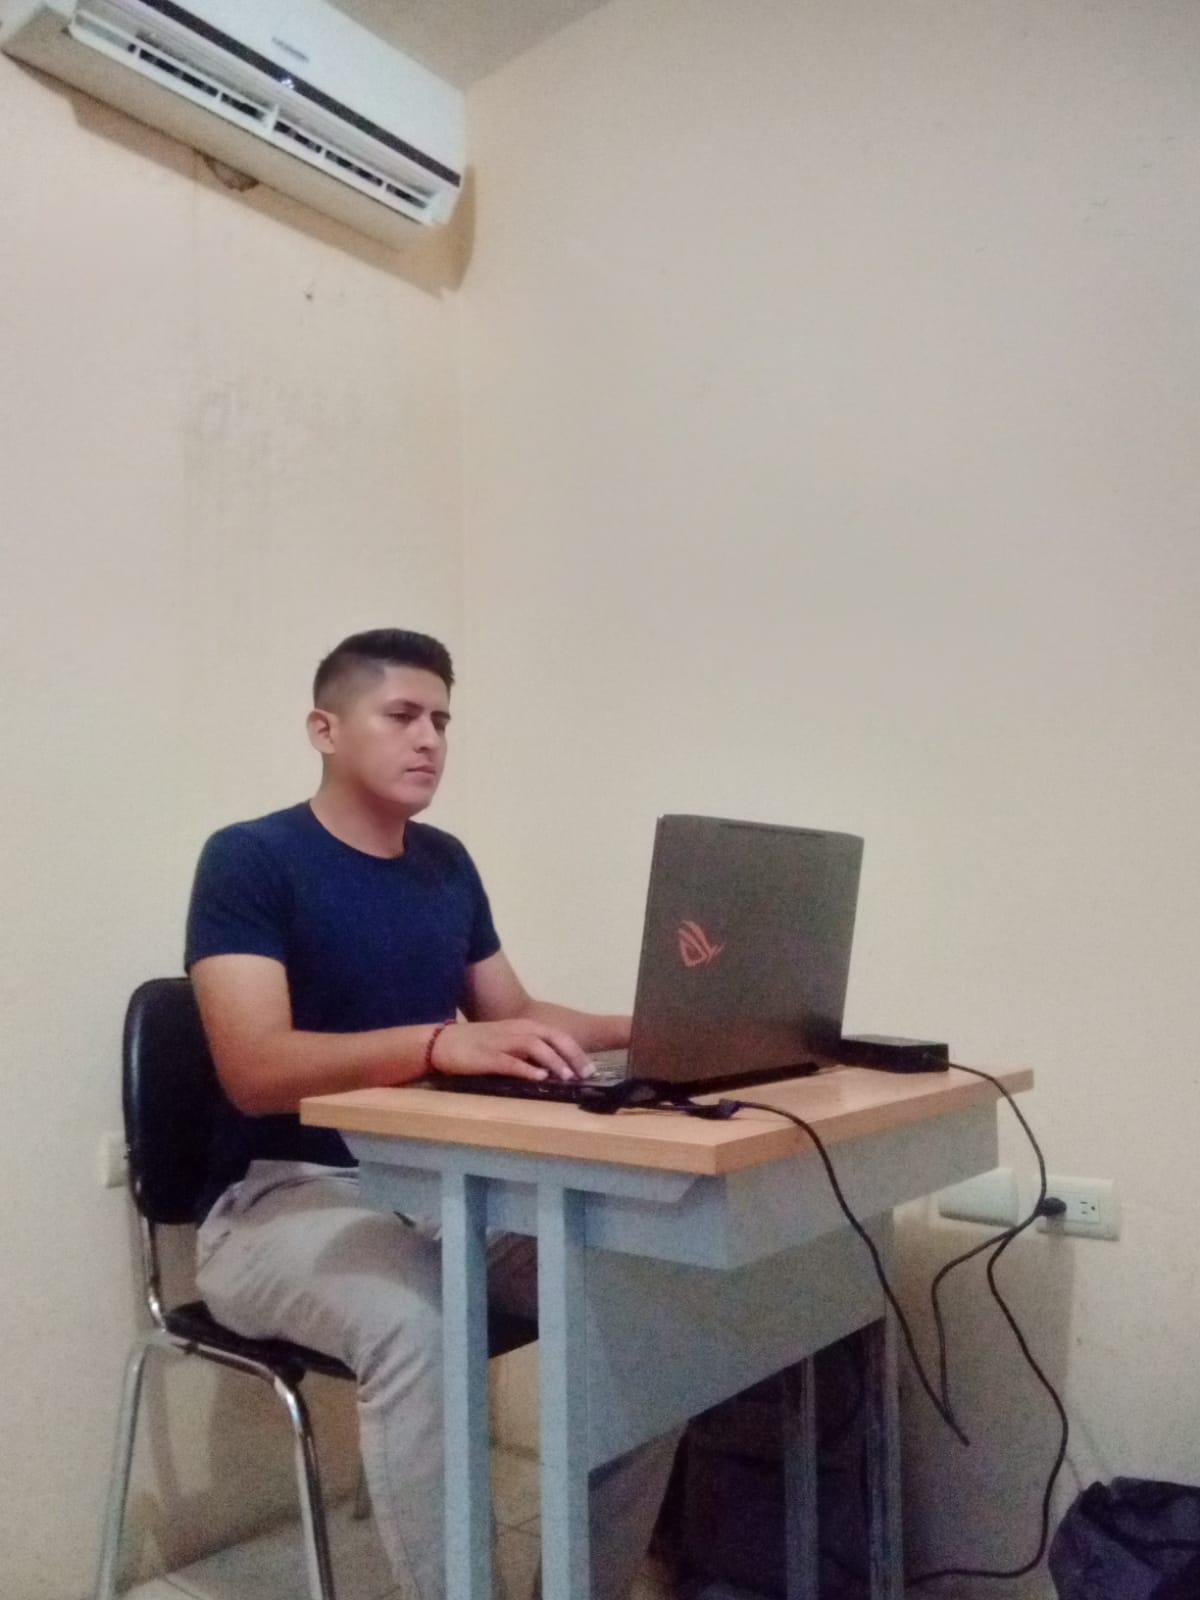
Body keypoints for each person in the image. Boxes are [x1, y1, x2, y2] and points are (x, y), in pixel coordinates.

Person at [185, 628, 678, 1600]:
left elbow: (513, 1015)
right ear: (325, 728)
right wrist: (433, 1043)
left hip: (438, 1188)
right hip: (279, 1200)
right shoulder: (250, 859)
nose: (430, 739)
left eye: (442, 720)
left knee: (648, 1312)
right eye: (403, 715)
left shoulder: (445, 863)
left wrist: (665, 1025)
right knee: (422, 1322)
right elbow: (254, 1068)